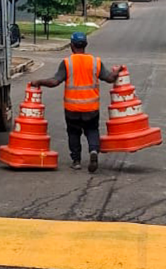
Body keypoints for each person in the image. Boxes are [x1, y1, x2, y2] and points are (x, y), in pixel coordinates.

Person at [31, 32, 120, 173]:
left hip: (72, 108)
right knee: (92, 130)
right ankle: (93, 151)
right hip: (91, 107)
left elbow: (55, 81)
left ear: (72, 45)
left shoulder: (67, 63)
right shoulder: (95, 62)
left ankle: (76, 161)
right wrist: (117, 72)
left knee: (73, 133)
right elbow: (109, 78)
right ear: (85, 45)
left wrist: (39, 82)